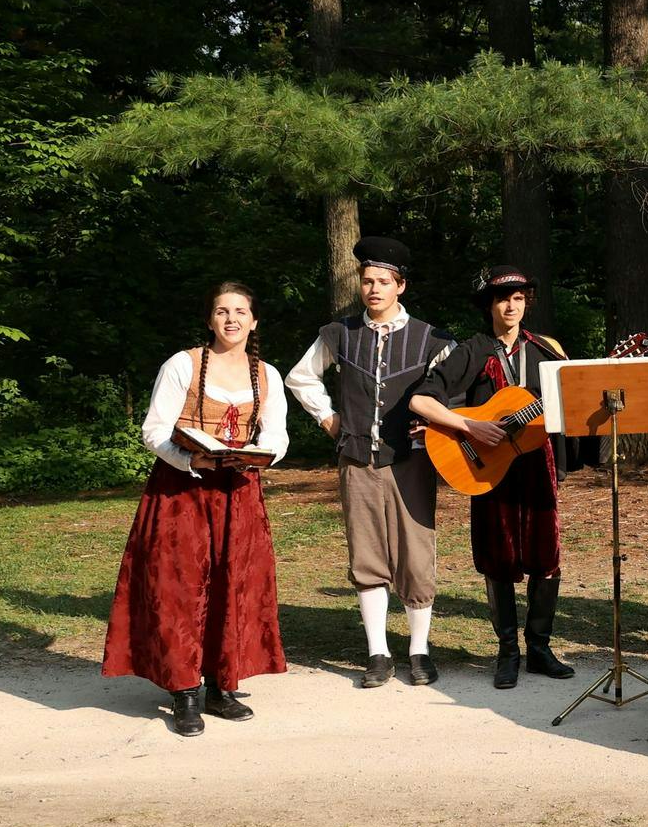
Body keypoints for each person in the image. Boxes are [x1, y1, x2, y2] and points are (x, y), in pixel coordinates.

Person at [104, 282, 289, 736]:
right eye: (222, 311)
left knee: (234, 584)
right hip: (181, 492)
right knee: (179, 586)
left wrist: (259, 455)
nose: (231, 319)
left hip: (239, 492)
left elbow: (277, 434)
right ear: (209, 320)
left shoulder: (266, 375)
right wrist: (190, 459)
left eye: (240, 311)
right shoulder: (182, 365)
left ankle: (222, 685)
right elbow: (154, 430)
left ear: (254, 321)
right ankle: (184, 689)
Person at [285, 236, 456, 689]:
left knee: (415, 555)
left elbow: (455, 395)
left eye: (383, 281)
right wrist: (328, 418)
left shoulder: (433, 339)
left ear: (401, 286)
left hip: (412, 462)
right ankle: (378, 653)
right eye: (367, 281)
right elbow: (300, 377)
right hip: (357, 458)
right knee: (366, 554)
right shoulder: (340, 334)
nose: (374, 289)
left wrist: (437, 429)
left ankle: (419, 650)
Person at [406, 265, 577, 689]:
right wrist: (471, 426)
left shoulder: (548, 349)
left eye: (519, 299)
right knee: (498, 558)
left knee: (546, 557)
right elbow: (421, 401)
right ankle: (507, 653)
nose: (512, 306)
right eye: (503, 299)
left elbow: (572, 400)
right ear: (489, 305)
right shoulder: (473, 350)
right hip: (486, 467)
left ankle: (539, 649)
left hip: (538, 465)